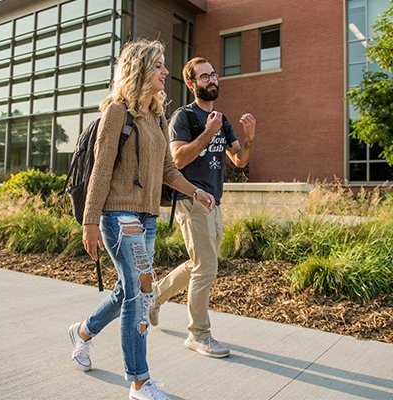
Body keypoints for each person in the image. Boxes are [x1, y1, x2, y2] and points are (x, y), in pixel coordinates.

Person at [68, 41, 215, 400]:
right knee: (141, 293)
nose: (166, 72)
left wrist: (196, 191)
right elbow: (101, 170)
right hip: (119, 216)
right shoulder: (117, 112)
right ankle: (139, 381)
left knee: (127, 291)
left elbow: (167, 169)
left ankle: (83, 333)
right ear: (140, 69)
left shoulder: (157, 116)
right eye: (160, 66)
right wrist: (89, 222)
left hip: (147, 218)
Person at [149, 57, 256, 358]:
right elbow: (177, 160)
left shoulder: (223, 119)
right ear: (191, 83)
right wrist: (208, 134)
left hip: (215, 201)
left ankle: (156, 295)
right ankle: (198, 334)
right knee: (206, 266)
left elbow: (240, 160)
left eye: (214, 75)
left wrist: (250, 138)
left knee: (201, 263)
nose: (212, 80)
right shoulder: (184, 118)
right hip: (191, 199)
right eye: (205, 76)